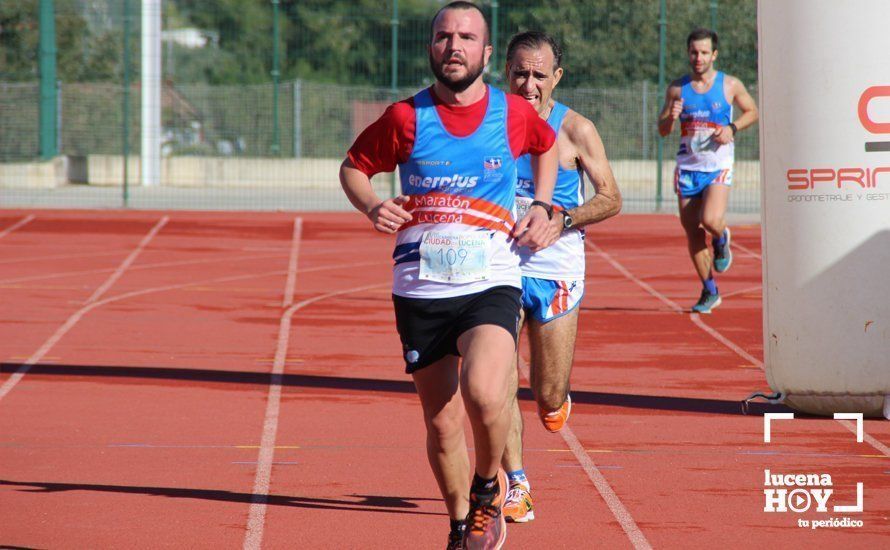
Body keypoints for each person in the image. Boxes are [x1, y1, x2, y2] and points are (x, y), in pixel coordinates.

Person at [339, 3, 560, 548]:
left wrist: (543, 204)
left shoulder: (510, 112)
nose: (453, 46)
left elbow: (547, 147)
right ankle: (463, 521)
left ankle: (488, 488)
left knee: (485, 393)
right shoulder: (405, 118)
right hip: (420, 286)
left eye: (466, 37)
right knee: (441, 423)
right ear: (431, 48)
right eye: (443, 37)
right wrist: (371, 206)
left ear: (486, 52)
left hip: (491, 279)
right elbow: (353, 167)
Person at [498, 31, 622, 524]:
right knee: (498, 382)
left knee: (546, 397)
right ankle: (517, 484)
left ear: (557, 78)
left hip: (558, 271)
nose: (529, 84)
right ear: (505, 73)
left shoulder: (576, 129)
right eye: (520, 73)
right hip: (498, 268)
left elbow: (611, 198)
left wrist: (562, 220)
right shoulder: (487, 124)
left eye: (539, 75)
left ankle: (556, 398)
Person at [657, 28, 758, 313]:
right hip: (688, 167)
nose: (698, 58)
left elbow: (752, 111)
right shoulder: (677, 89)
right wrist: (670, 117)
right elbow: (663, 130)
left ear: (714, 54)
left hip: (717, 166)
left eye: (703, 53)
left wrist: (732, 128)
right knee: (692, 232)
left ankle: (722, 237)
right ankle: (710, 290)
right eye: (693, 52)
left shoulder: (730, 85)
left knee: (711, 220)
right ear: (688, 53)